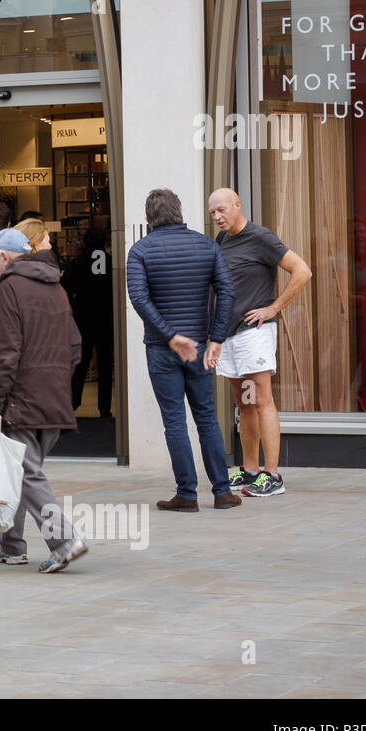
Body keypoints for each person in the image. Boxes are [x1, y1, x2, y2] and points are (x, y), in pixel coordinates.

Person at [0, 228, 87, 572]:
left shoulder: (9, 289)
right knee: (18, 472)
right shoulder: (56, 288)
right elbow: (75, 346)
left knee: (25, 474)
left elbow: (6, 357)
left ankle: (64, 540)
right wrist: (56, 380)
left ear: (6, 257)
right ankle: (11, 545)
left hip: (23, 399)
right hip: (54, 396)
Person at [126, 188, 238, 512]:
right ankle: (222, 492)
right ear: (179, 212)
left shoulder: (140, 251)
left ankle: (187, 495)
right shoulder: (206, 244)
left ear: (148, 219)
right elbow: (227, 293)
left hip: (162, 350)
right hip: (201, 347)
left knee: (174, 421)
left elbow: (139, 299)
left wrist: (170, 336)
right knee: (207, 418)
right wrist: (215, 338)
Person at [208, 187, 313, 497]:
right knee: (244, 403)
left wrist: (273, 308)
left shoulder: (260, 237)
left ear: (238, 204)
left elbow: (302, 271)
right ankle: (251, 469)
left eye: (222, 210)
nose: (217, 217)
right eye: (212, 212)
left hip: (253, 333)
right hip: (228, 334)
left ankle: (273, 475)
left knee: (263, 399)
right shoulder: (222, 240)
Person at [63, 227, 114, 418]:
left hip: (82, 320)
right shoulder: (110, 262)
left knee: (80, 363)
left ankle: (73, 402)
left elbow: (64, 289)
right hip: (106, 319)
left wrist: (75, 307)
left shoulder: (77, 263)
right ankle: (105, 407)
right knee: (105, 365)